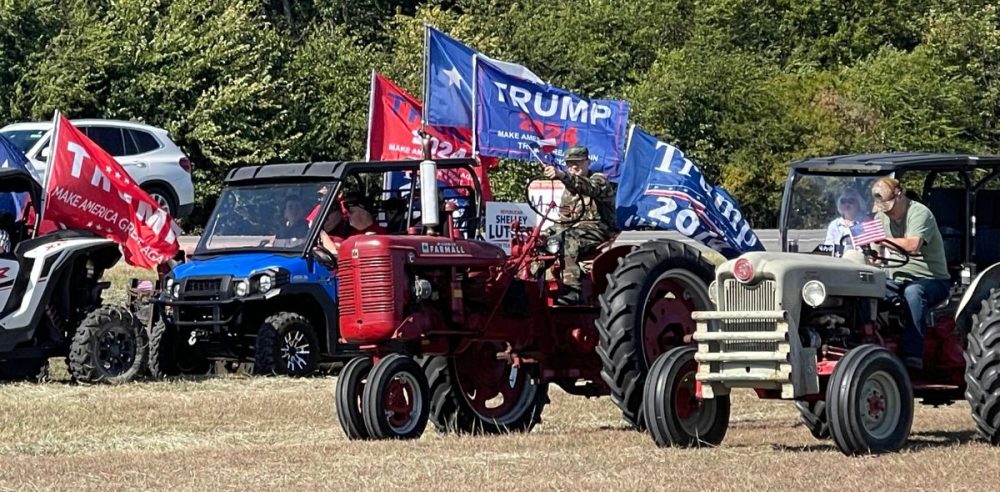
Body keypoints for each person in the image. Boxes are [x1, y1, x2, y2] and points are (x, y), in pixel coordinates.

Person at [870, 177, 950, 371]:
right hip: (896, 277)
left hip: (931, 279)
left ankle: (913, 355)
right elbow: (874, 251)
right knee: (868, 289)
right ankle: (869, 342)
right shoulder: (880, 216)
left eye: (888, 205)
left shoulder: (920, 213)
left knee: (913, 293)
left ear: (899, 195)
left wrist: (883, 240)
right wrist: (872, 256)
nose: (885, 210)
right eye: (881, 207)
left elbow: (913, 246)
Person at [542, 145, 618, 304]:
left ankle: (573, 290)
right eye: (569, 164)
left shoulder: (599, 180)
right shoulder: (567, 193)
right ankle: (533, 284)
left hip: (598, 228)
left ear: (587, 162)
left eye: (578, 162)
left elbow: (588, 187)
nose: (573, 167)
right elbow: (564, 220)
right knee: (539, 239)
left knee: (569, 240)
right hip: (572, 228)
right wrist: (549, 235)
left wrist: (562, 175)